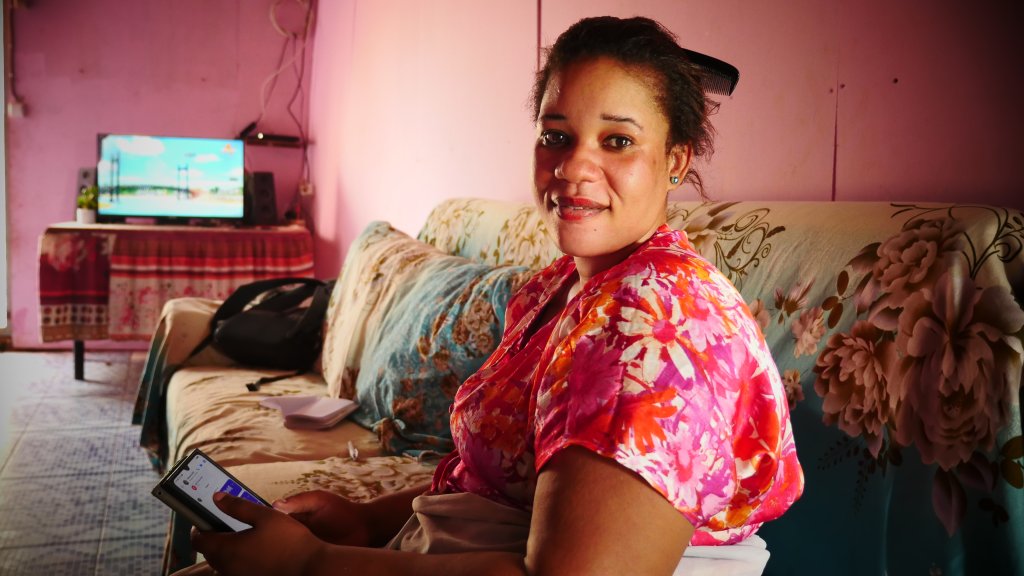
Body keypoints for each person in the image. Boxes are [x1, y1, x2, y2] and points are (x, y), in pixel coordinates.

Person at [180, 15, 803, 576]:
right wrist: (369, 521)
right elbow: (503, 487)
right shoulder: (557, 289)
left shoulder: (655, 322)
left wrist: (313, 564)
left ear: (675, 160)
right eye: (556, 135)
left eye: (617, 141)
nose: (573, 166)